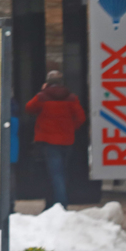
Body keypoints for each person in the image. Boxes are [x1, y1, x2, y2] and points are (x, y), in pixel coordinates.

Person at [25, 70, 85, 209]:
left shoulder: (42, 96)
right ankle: (59, 202)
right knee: (62, 172)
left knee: (55, 174)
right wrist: (71, 128)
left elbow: (29, 108)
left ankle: (60, 205)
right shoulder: (71, 97)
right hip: (67, 141)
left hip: (48, 141)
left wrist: (43, 91)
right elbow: (81, 118)